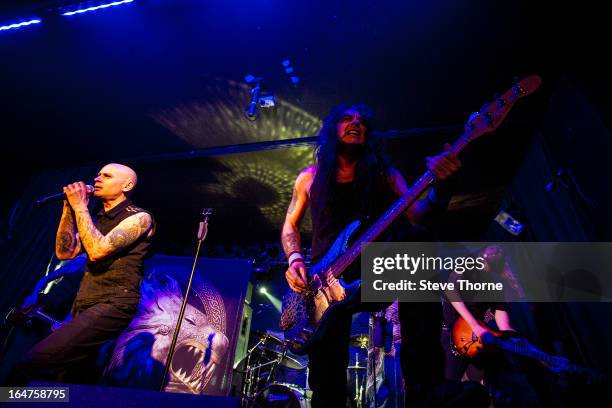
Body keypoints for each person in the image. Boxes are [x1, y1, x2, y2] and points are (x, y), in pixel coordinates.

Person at [281, 104, 480, 407]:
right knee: (327, 375)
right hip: (323, 283)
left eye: (362, 121)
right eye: (348, 118)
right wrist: (295, 259)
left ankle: (426, 386)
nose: (356, 123)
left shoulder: (386, 176)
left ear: (369, 135)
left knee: (419, 244)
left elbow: (418, 217)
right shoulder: (309, 178)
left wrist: (442, 186)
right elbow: (290, 225)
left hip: (373, 269)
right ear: (333, 128)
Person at [9, 163, 155, 385]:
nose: (97, 179)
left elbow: (97, 252)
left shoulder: (140, 217)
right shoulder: (96, 217)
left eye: (106, 176)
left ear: (127, 185)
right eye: (97, 174)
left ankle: (8, 398)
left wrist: (80, 208)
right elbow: (65, 252)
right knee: (70, 377)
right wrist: (69, 208)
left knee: (32, 363)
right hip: (84, 302)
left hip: (114, 303)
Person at [441, 245, 546, 407]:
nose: (497, 250)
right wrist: (475, 325)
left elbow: (505, 328)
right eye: (493, 248)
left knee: (514, 383)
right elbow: (450, 291)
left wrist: (534, 352)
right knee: (447, 390)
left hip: (477, 340)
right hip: (449, 335)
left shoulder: (497, 286)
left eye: (500, 250)